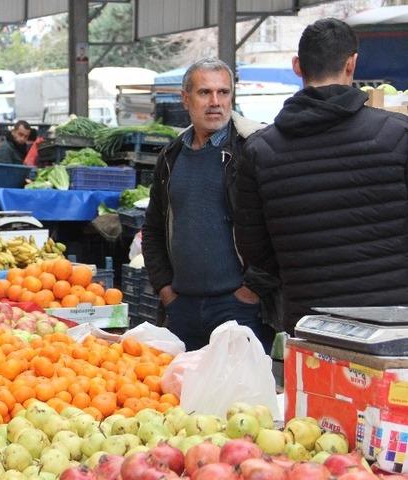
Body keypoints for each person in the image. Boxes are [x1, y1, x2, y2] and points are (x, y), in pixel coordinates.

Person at [234, 18, 408, 332]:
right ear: (352, 63)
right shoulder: (398, 135)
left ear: (297, 66)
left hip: (311, 326)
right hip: (393, 332)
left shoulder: (260, 151)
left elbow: (255, 251)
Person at [142, 58, 276, 352]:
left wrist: (252, 289)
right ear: (185, 98)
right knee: (184, 395)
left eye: (223, 92)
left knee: (241, 396)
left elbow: (280, 225)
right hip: (182, 309)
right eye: (205, 93)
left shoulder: (253, 149)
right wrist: (166, 290)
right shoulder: (171, 156)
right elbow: (152, 229)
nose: (215, 102)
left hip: (238, 309)